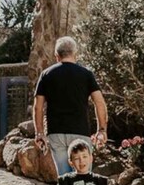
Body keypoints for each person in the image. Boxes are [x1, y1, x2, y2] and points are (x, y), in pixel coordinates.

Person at [33, 36, 108, 177]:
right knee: (84, 177)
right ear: (75, 54)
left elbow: (38, 106)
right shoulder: (86, 74)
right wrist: (102, 130)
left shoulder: (46, 75)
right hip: (80, 130)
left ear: (57, 56)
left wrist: (39, 133)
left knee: (64, 178)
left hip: (56, 132)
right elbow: (99, 102)